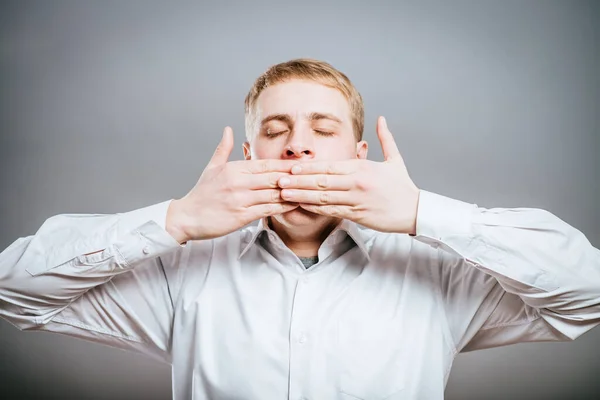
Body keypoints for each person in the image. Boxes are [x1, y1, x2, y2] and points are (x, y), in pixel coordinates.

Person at [0, 58, 598, 400]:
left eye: (322, 127)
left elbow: (588, 290)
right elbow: (12, 288)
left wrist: (423, 213)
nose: (299, 146)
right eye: (276, 129)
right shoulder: (180, 270)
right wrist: (176, 220)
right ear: (253, 153)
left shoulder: (440, 272)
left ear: (359, 153)